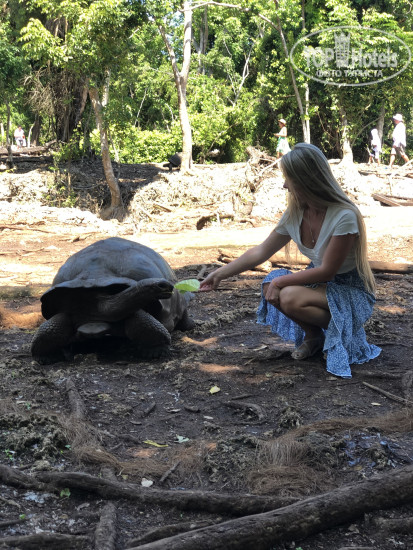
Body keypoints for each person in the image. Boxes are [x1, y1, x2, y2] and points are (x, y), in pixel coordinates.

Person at [200, 143, 381, 379]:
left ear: (307, 180)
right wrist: (220, 273)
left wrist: (281, 283)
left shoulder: (344, 216)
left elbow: (327, 271)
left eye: (289, 179)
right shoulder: (295, 213)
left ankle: (343, 331)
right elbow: (261, 251)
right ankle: (314, 337)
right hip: (320, 285)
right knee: (269, 284)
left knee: (287, 294)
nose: (285, 185)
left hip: (351, 291)